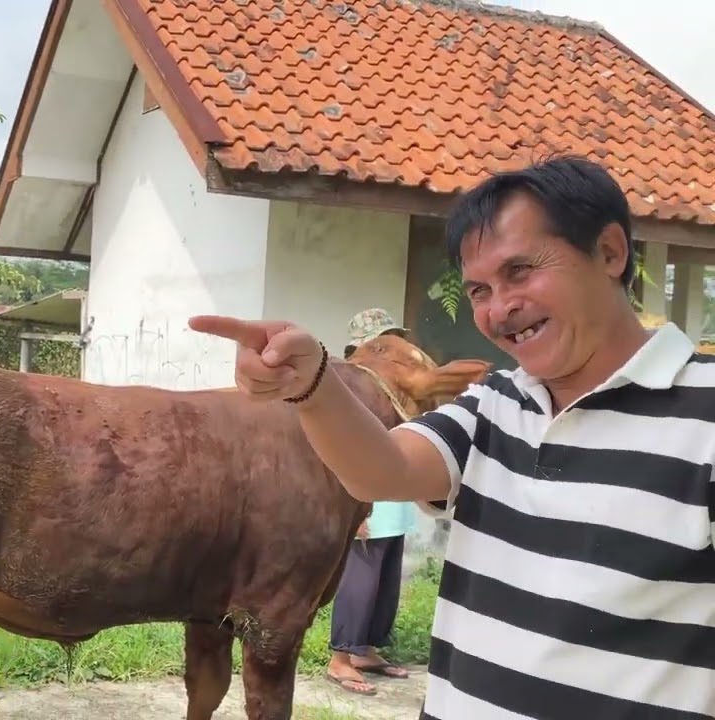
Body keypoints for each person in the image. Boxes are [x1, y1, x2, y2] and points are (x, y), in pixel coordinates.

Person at [190, 156, 715, 719]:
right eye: (479, 290)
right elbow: (381, 470)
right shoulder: (495, 402)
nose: (499, 309)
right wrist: (313, 383)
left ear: (609, 253)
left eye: (520, 271)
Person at [326, 308, 417, 696]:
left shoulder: (389, 384)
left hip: (395, 496)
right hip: (365, 497)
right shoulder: (346, 384)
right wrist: (353, 505)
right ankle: (341, 658)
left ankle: (366, 650)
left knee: (385, 582)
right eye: (383, 341)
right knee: (360, 580)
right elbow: (337, 445)